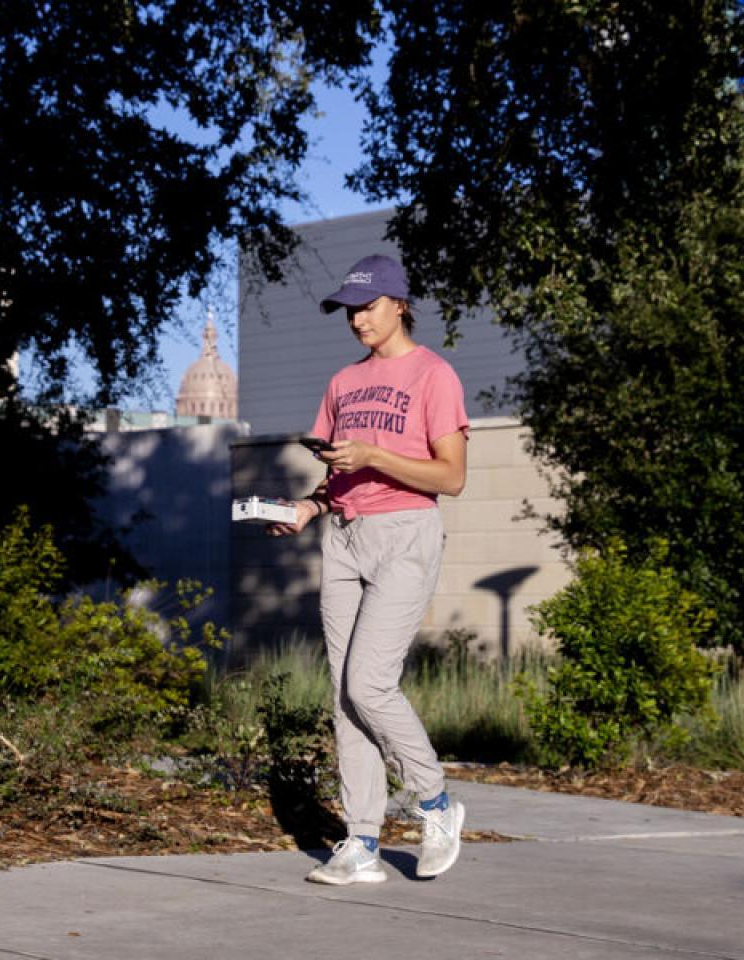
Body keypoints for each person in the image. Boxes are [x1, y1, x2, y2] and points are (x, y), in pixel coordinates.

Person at [268, 253, 469, 885]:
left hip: (405, 534)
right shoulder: (342, 384)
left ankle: (435, 802)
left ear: (399, 304)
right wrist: (308, 506)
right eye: (350, 311)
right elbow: (339, 475)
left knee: (369, 683)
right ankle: (361, 841)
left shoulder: (435, 376)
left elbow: (451, 477)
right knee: (342, 696)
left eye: (368, 307)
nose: (357, 320)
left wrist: (376, 455)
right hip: (345, 538)